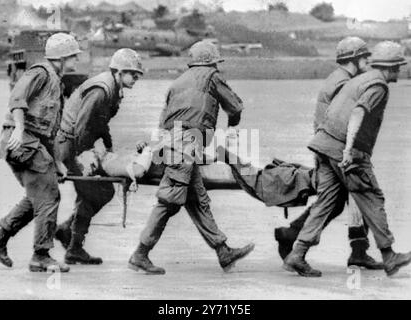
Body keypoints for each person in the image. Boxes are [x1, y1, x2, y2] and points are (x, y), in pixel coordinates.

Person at [283, 41, 411, 277]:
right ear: (391, 67)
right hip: (345, 150)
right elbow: (358, 112)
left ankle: (296, 254)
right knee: (371, 197)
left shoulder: (357, 80)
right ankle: (389, 255)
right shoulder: (378, 85)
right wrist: (349, 149)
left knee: (327, 202)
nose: (401, 70)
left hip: (324, 145)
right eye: (399, 66)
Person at [128, 40, 255, 275]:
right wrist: (231, 130)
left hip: (175, 144)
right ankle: (140, 254)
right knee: (170, 201)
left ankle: (222, 251)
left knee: (198, 200)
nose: (217, 67)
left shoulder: (177, 83)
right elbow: (235, 107)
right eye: (216, 63)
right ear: (211, 62)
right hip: (185, 145)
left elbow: (163, 123)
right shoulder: (211, 77)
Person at [0, 33, 81, 272]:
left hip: (32, 143)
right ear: (62, 57)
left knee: (38, 196)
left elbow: (49, 131)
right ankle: (41, 255)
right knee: (49, 196)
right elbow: (17, 98)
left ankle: (2, 235)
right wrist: (20, 128)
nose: (76, 59)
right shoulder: (41, 73)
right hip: (22, 142)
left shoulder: (56, 80)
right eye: (73, 55)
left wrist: (58, 163)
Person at [53, 48, 144, 265]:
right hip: (70, 145)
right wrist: (86, 155)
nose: (136, 78)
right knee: (101, 191)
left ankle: (72, 241)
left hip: (75, 143)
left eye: (138, 75)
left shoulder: (113, 87)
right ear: (119, 72)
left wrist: (109, 149)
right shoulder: (101, 90)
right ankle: (69, 235)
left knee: (92, 192)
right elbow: (83, 126)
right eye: (133, 74)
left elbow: (100, 124)